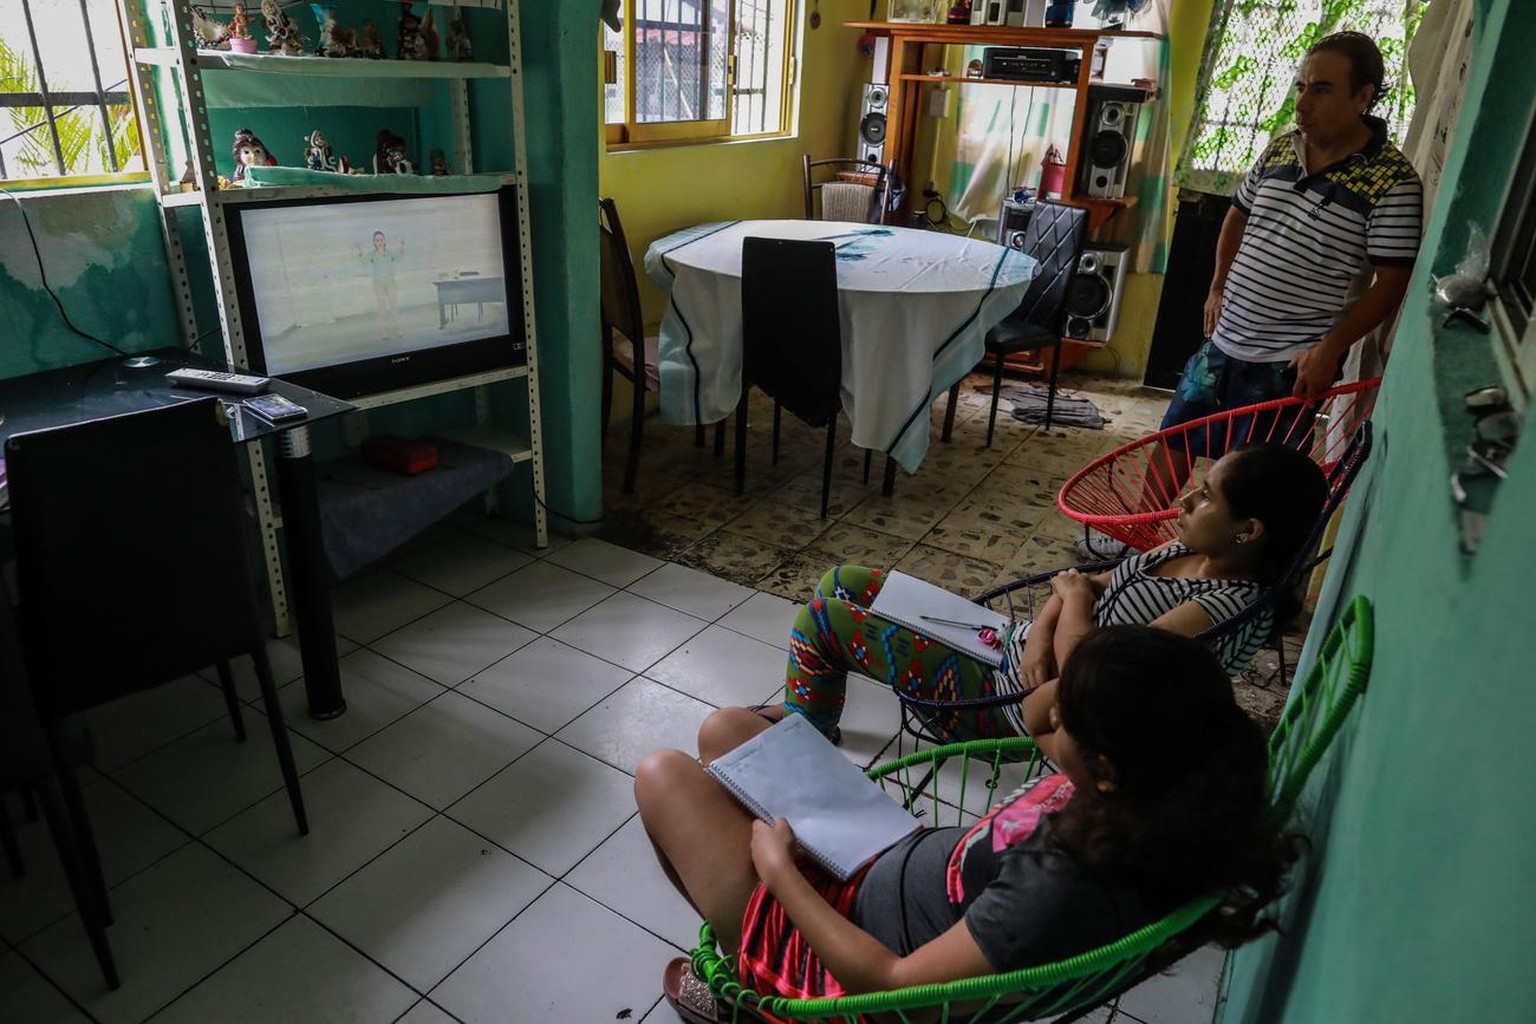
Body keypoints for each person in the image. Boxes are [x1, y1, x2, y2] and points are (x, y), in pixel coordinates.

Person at [636, 627, 1292, 1023]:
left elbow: (892, 987)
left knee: (663, 773)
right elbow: (1037, 719)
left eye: (1068, 718)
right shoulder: (1159, 782)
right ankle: (746, 958)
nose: (1048, 722)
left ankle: (752, 996)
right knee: (726, 730)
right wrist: (1075, 673)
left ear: (1104, 768)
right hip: (885, 853)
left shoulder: (1062, 887)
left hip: (846, 952)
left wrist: (780, 874)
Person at [1081, 31, 1420, 561]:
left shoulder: (1393, 182)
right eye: (1301, 86)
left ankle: (1228, 572)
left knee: (1253, 478)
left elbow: (1393, 282)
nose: (1303, 102)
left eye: (1323, 89)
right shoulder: (1281, 148)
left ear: (1363, 96)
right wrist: (1217, 285)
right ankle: (1135, 535)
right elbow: (1235, 217)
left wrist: (1331, 347)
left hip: (1287, 361)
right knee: (1177, 434)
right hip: (1227, 337)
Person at [775, 443, 1327, 748]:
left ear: (1248, 530)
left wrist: (1072, 605)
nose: (1184, 499)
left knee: (823, 620)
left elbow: (1095, 676)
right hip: (1013, 651)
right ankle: (810, 712)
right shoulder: (1183, 553)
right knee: (841, 580)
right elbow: (1077, 584)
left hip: (1008, 706)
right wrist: (1042, 634)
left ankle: (809, 731)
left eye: (1205, 497)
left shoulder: (1218, 608)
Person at [356, 230, 405, 338]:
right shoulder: (373, 255)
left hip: (391, 284)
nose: (379, 241)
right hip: (378, 285)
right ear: (374, 242)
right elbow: (363, 262)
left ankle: (398, 329)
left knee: (394, 307)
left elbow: (400, 258)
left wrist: (401, 245)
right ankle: (384, 331)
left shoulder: (390, 253)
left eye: (381, 239)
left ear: (384, 241)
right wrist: (360, 249)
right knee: (382, 309)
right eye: (377, 240)